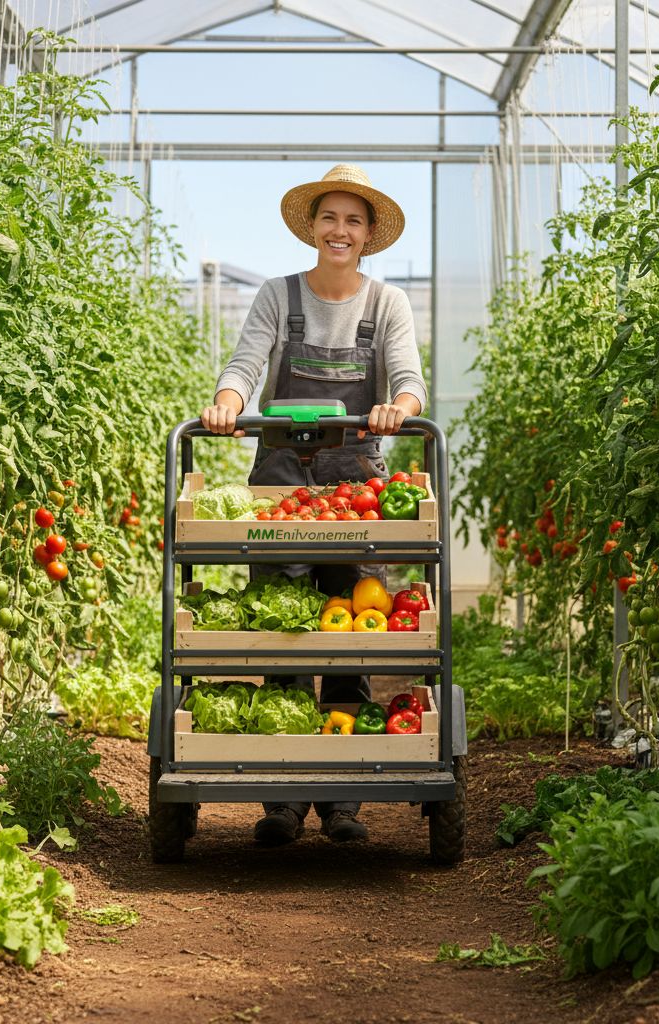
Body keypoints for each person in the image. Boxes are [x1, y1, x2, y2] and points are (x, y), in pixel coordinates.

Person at [200, 164, 427, 846]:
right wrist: (228, 404)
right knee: (288, 634)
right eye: (330, 217)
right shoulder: (279, 296)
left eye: (353, 220)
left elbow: (409, 375)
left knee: (352, 634)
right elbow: (246, 363)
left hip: (356, 483)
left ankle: (344, 799)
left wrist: (398, 409)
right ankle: (284, 798)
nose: (340, 230)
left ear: (367, 236)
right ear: (313, 227)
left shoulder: (386, 303)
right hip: (280, 481)